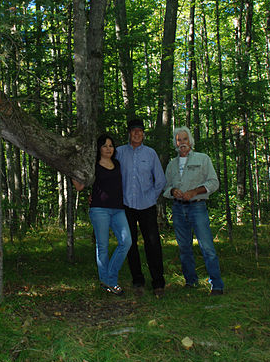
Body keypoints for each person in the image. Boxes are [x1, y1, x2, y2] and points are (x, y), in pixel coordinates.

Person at [164, 126, 224, 295]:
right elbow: (166, 187)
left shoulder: (203, 159)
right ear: (175, 143)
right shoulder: (171, 164)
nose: (181, 143)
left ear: (190, 141)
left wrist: (195, 192)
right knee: (184, 247)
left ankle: (217, 284)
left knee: (207, 247)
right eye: (178, 140)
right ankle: (191, 281)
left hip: (197, 207)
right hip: (177, 209)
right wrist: (173, 191)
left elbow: (214, 183)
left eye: (184, 139)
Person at [73, 134, 132, 296]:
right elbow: (79, 186)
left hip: (118, 209)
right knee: (103, 247)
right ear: (99, 148)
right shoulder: (93, 166)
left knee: (126, 241)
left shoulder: (118, 164)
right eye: (105, 146)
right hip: (99, 210)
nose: (108, 148)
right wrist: (71, 170)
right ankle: (109, 282)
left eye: (111, 145)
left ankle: (109, 278)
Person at [115, 119, 166, 297]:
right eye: (134, 131)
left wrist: (151, 197)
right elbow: (110, 175)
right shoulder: (119, 152)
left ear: (144, 133)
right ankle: (138, 281)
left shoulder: (150, 154)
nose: (137, 134)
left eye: (140, 131)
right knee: (130, 244)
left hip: (147, 206)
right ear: (129, 133)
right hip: (126, 206)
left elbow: (160, 180)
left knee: (153, 244)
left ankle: (158, 283)